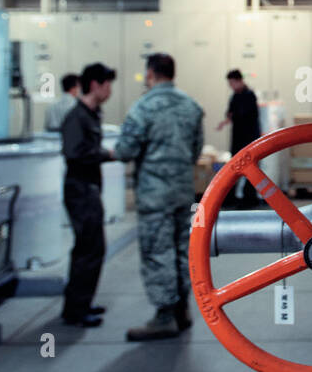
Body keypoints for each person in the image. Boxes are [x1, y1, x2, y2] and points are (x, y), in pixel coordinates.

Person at [116, 53, 205, 341]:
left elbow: (125, 150)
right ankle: (183, 310)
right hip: (182, 192)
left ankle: (165, 316)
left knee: (157, 252)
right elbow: (196, 149)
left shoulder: (143, 107)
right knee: (182, 250)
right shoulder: (191, 106)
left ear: (150, 73)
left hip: (154, 196)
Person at [59, 62, 117, 327]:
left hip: (89, 188)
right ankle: (75, 310)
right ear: (95, 84)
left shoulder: (91, 115)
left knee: (92, 247)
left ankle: (81, 303)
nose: (110, 90)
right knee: (88, 249)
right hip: (80, 191)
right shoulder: (77, 117)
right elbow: (73, 152)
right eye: (107, 84)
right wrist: (107, 154)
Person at [217, 68, 262, 207]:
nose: (231, 86)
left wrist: (232, 116)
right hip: (237, 138)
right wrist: (226, 119)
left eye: (232, 83)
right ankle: (232, 197)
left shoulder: (249, 95)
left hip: (249, 137)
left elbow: (243, 115)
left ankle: (249, 198)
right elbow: (230, 112)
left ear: (239, 81)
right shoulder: (234, 96)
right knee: (235, 167)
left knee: (250, 168)